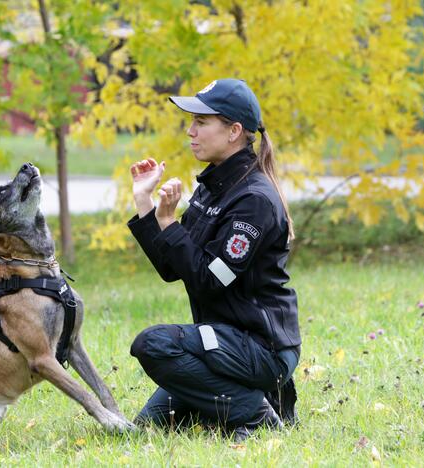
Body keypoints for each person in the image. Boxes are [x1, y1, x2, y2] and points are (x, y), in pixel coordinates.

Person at [127, 78, 301, 441]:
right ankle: (260, 402)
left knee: (152, 345)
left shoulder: (254, 200)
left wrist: (168, 221)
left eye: (202, 122)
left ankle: (257, 415)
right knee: (148, 427)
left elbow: (209, 279)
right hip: (218, 346)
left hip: (259, 347)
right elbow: (171, 268)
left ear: (234, 131)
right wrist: (145, 203)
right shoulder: (213, 187)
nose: (190, 131)